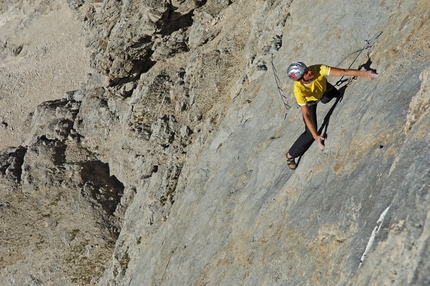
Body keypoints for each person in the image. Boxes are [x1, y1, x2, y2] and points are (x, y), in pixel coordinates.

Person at [285, 62, 378, 170]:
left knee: (332, 95)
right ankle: (290, 156)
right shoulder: (298, 90)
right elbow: (306, 114)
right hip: (310, 102)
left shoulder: (317, 69)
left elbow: (342, 72)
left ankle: (329, 95)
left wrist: (364, 74)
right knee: (309, 134)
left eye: (307, 69)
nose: (310, 71)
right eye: (306, 72)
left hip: (324, 90)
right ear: (301, 79)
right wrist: (315, 136)